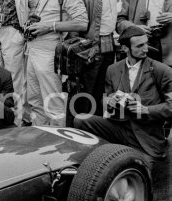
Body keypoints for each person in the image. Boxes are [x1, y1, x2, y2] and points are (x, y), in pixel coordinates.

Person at [74, 26, 172, 165]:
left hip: (145, 136)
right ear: (125, 48)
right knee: (80, 120)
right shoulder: (113, 69)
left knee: (137, 170)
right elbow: (106, 99)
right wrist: (110, 102)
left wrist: (144, 109)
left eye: (146, 43)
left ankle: (123, 155)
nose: (146, 49)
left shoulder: (162, 71)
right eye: (139, 46)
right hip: (119, 127)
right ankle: (97, 156)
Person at [25, 0, 88, 126]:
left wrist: (49, 26)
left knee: (53, 105)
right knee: (35, 101)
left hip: (50, 54)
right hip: (33, 51)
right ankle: (39, 139)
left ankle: (58, 146)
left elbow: (82, 23)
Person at [72, 0, 120, 117]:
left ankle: (95, 129)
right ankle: (81, 130)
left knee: (101, 92)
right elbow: (75, 23)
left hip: (108, 47)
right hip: (88, 51)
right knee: (85, 95)